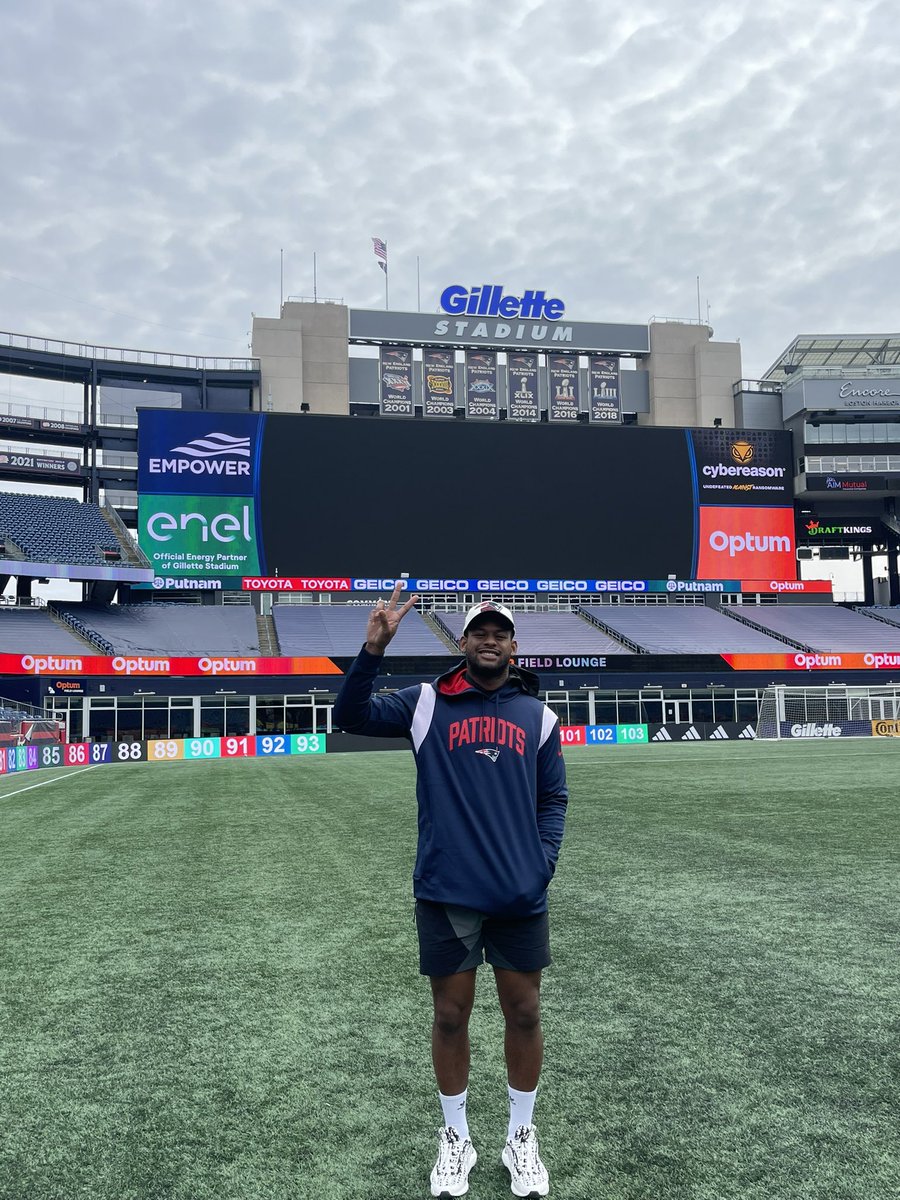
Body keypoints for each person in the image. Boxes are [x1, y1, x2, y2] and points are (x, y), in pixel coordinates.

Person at [333, 585, 569, 1198]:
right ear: (462, 642)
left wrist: (541, 863)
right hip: (448, 892)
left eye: (500, 633)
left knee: (525, 1011)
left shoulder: (539, 717)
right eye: (479, 632)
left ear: (514, 646)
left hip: (518, 893)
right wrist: (372, 650)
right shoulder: (426, 704)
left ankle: (520, 1135)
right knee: (449, 1014)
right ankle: (456, 1137)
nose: (490, 640)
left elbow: (553, 799)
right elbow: (350, 716)